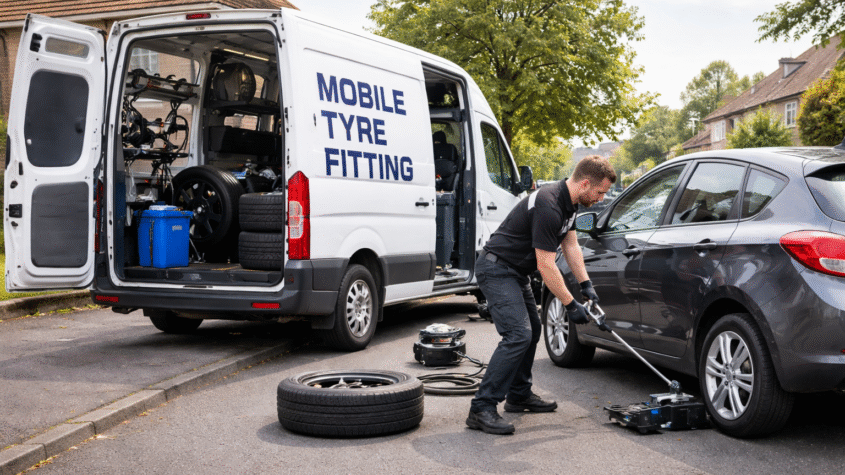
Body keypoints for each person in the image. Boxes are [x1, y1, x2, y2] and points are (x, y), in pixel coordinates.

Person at [466, 155, 616, 435]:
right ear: (585, 184)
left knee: (532, 330)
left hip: (514, 272)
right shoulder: (549, 204)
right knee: (518, 334)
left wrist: (586, 285)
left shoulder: (570, 203)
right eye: (600, 192)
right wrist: (571, 305)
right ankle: (481, 408)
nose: (601, 198)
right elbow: (545, 265)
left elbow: (571, 245)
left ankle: (519, 395)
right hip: (497, 269)